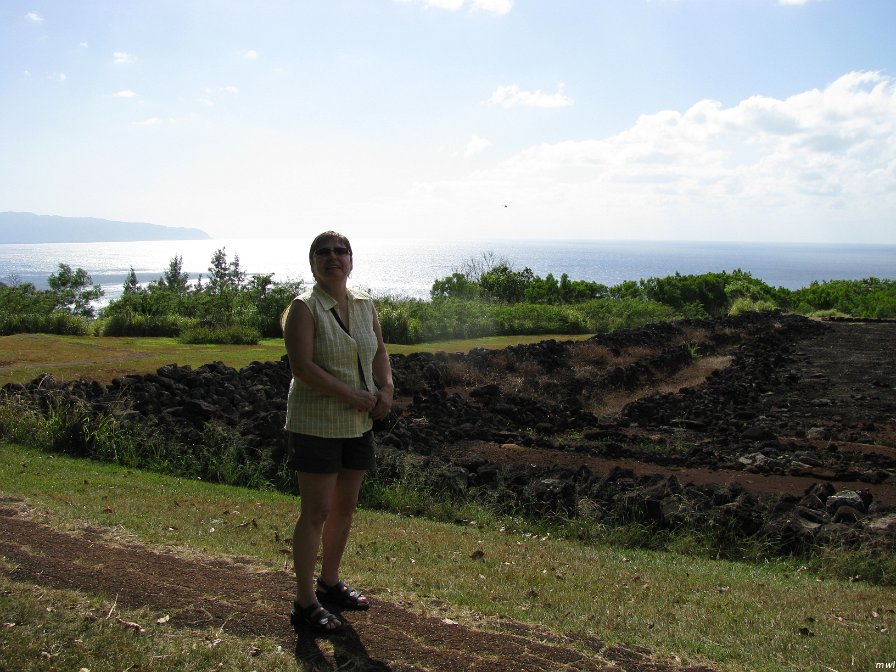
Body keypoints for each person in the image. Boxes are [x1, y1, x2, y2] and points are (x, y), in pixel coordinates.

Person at [281, 231, 394, 635]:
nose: (333, 257)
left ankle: (329, 583)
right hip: (316, 424)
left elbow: (379, 351)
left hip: (357, 424)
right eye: (323, 252)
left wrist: (386, 389)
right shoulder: (304, 308)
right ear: (312, 264)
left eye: (340, 251)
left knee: (344, 507)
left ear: (351, 260)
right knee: (316, 512)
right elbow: (302, 368)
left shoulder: (364, 304)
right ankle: (304, 602)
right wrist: (353, 395)